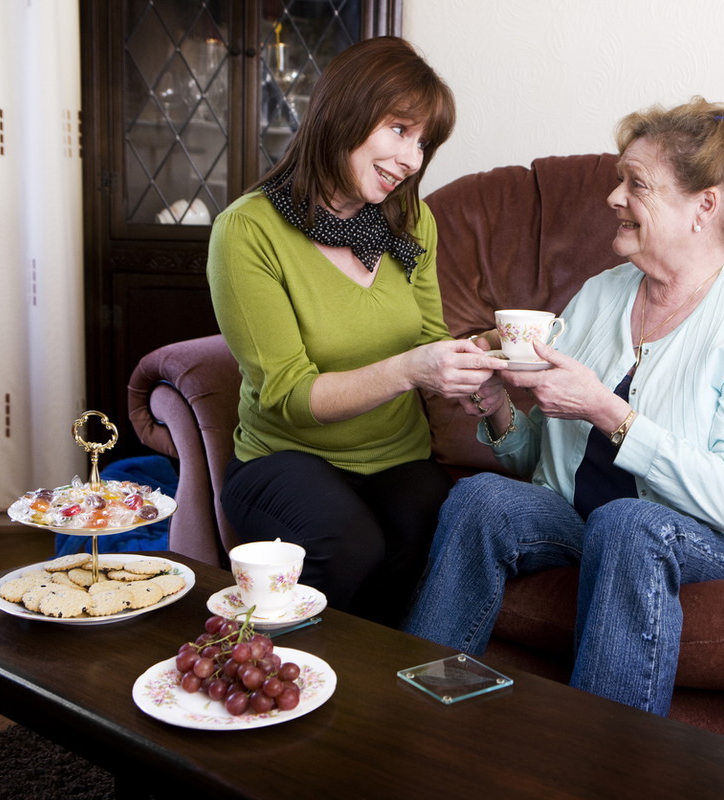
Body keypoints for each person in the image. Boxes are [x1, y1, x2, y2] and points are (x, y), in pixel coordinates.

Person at [403, 97, 724, 715]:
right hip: (587, 518)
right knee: (479, 499)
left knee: (630, 524)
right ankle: (417, 717)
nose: (613, 197)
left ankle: (601, 763)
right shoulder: (602, 293)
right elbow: (547, 465)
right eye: (620, 179)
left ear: (704, 206)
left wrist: (607, 411)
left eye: (636, 184)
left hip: (717, 537)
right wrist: (496, 408)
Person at [207, 37, 506, 627]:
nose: (413, 159)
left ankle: (365, 696)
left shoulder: (412, 219)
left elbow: (427, 335)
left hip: (397, 456)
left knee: (430, 526)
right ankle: (268, 675)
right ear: (345, 112)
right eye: (399, 130)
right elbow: (290, 397)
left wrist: (479, 359)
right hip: (284, 456)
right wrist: (409, 370)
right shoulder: (247, 231)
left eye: (423, 143)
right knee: (348, 543)